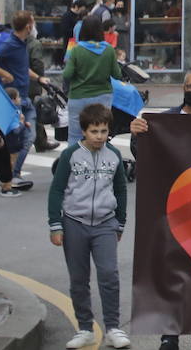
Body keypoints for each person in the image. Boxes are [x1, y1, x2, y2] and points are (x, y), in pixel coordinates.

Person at [130, 67, 191, 350]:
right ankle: (169, 334)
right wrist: (137, 133)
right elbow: (141, 153)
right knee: (170, 272)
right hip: (171, 210)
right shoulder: (163, 121)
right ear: (184, 87)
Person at [48, 103, 131, 349]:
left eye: (104, 131)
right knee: (78, 278)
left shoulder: (114, 155)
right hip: (74, 223)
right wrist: (55, 225)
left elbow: (120, 189)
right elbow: (57, 190)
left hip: (106, 223)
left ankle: (113, 328)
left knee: (109, 275)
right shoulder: (70, 155)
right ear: (84, 131)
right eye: (94, 131)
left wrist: (120, 222)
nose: (99, 136)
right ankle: (84, 328)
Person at [0, 10, 41, 190]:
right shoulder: (11, 43)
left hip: (23, 97)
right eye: (34, 22)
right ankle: (9, 179)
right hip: (13, 100)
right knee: (19, 139)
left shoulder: (22, 43)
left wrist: (39, 78)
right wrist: (6, 74)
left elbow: (23, 68)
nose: (34, 26)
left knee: (25, 137)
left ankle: (12, 176)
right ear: (28, 26)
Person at [62, 15, 122, 145]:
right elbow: (117, 75)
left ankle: (75, 164)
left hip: (78, 97)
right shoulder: (109, 50)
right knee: (100, 135)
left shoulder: (76, 49)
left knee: (75, 136)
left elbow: (67, 74)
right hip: (103, 97)